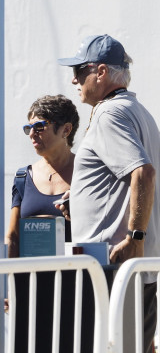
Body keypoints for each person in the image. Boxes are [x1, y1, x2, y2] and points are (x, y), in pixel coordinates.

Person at [57, 34, 160, 353]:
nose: (73, 79)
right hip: (131, 268)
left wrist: (135, 237)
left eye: (79, 70)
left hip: (113, 266)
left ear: (101, 72)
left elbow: (143, 174)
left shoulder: (109, 114)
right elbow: (155, 190)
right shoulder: (140, 112)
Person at [5, 95, 80, 352]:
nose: (32, 134)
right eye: (29, 128)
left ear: (66, 129)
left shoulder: (87, 173)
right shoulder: (22, 177)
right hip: (31, 288)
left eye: (40, 126)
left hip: (76, 287)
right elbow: (12, 236)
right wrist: (10, 287)